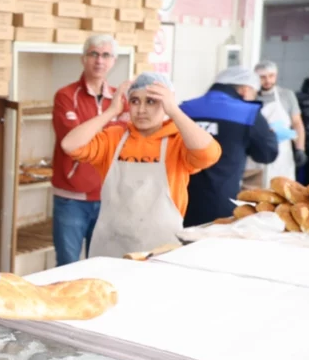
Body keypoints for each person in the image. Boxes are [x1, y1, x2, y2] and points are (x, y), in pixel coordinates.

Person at [60, 72, 222, 258]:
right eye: (135, 101)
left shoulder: (177, 141)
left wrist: (175, 111)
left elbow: (210, 154)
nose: (141, 110)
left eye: (151, 101)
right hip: (110, 246)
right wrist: (110, 112)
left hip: (160, 248)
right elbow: (69, 145)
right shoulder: (113, 138)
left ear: (166, 103)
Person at [51, 34, 127, 265]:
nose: (99, 61)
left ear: (113, 61)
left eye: (106, 55)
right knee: (67, 265)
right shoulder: (66, 96)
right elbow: (74, 144)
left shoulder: (121, 99)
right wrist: (110, 115)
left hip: (108, 197)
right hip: (71, 199)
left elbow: (124, 143)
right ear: (83, 58)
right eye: (93, 54)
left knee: (101, 265)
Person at [179, 66, 278, 226]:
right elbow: (266, 154)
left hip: (180, 201)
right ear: (245, 90)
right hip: (221, 206)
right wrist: (270, 134)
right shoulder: (248, 113)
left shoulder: (184, 109)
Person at [251, 61, 306, 187]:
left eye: (271, 76)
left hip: (282, 151)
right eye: (263, 77)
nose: (268, 80)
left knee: (282, 190)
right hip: (256, 150)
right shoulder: (251, 96)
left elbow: (297, 123)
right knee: (256, 192)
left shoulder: (287, 95)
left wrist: (300, 148)